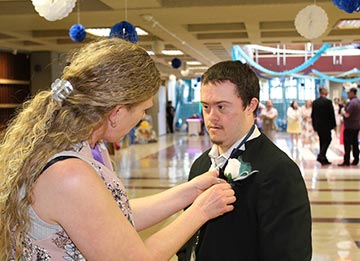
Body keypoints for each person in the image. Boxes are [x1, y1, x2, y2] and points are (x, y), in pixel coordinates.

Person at [0, 38, 236, 260]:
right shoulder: (70, 175)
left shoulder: (89, 147)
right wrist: (200, 211)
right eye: (143, 109)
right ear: (117, 112)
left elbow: (113, 217)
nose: (143, 118)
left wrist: (190, 191)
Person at [177, 61, 312, 261]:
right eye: (206, 107)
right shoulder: (201, 165)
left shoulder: (279, 171)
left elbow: (289, 254)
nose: (211, 117)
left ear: (251, 105)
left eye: (221, 107)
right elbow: (189, 237)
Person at [311, 87, 336, 165]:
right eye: (326, 90)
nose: (328, 91)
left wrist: (314, 125)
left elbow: (313, 115)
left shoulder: (315, 102)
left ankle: (323, 158)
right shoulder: (328, 102)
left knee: (322, 141)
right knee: (328, 139)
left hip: (318, 125)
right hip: (326, 125)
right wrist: (333, 125)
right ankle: (321, 155)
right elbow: (331, 114)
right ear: (323, 92)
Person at [338, 87, 360, 166]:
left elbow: (347, 114)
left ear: (353, 93)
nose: (347, 94)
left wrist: (342, 110)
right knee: (355, 144)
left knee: (347, 144)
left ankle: (346, 161)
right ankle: (356, 159)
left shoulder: (351, 103)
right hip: (357, 126)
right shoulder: (358, 101)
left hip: (349, 126)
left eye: (348, 93)